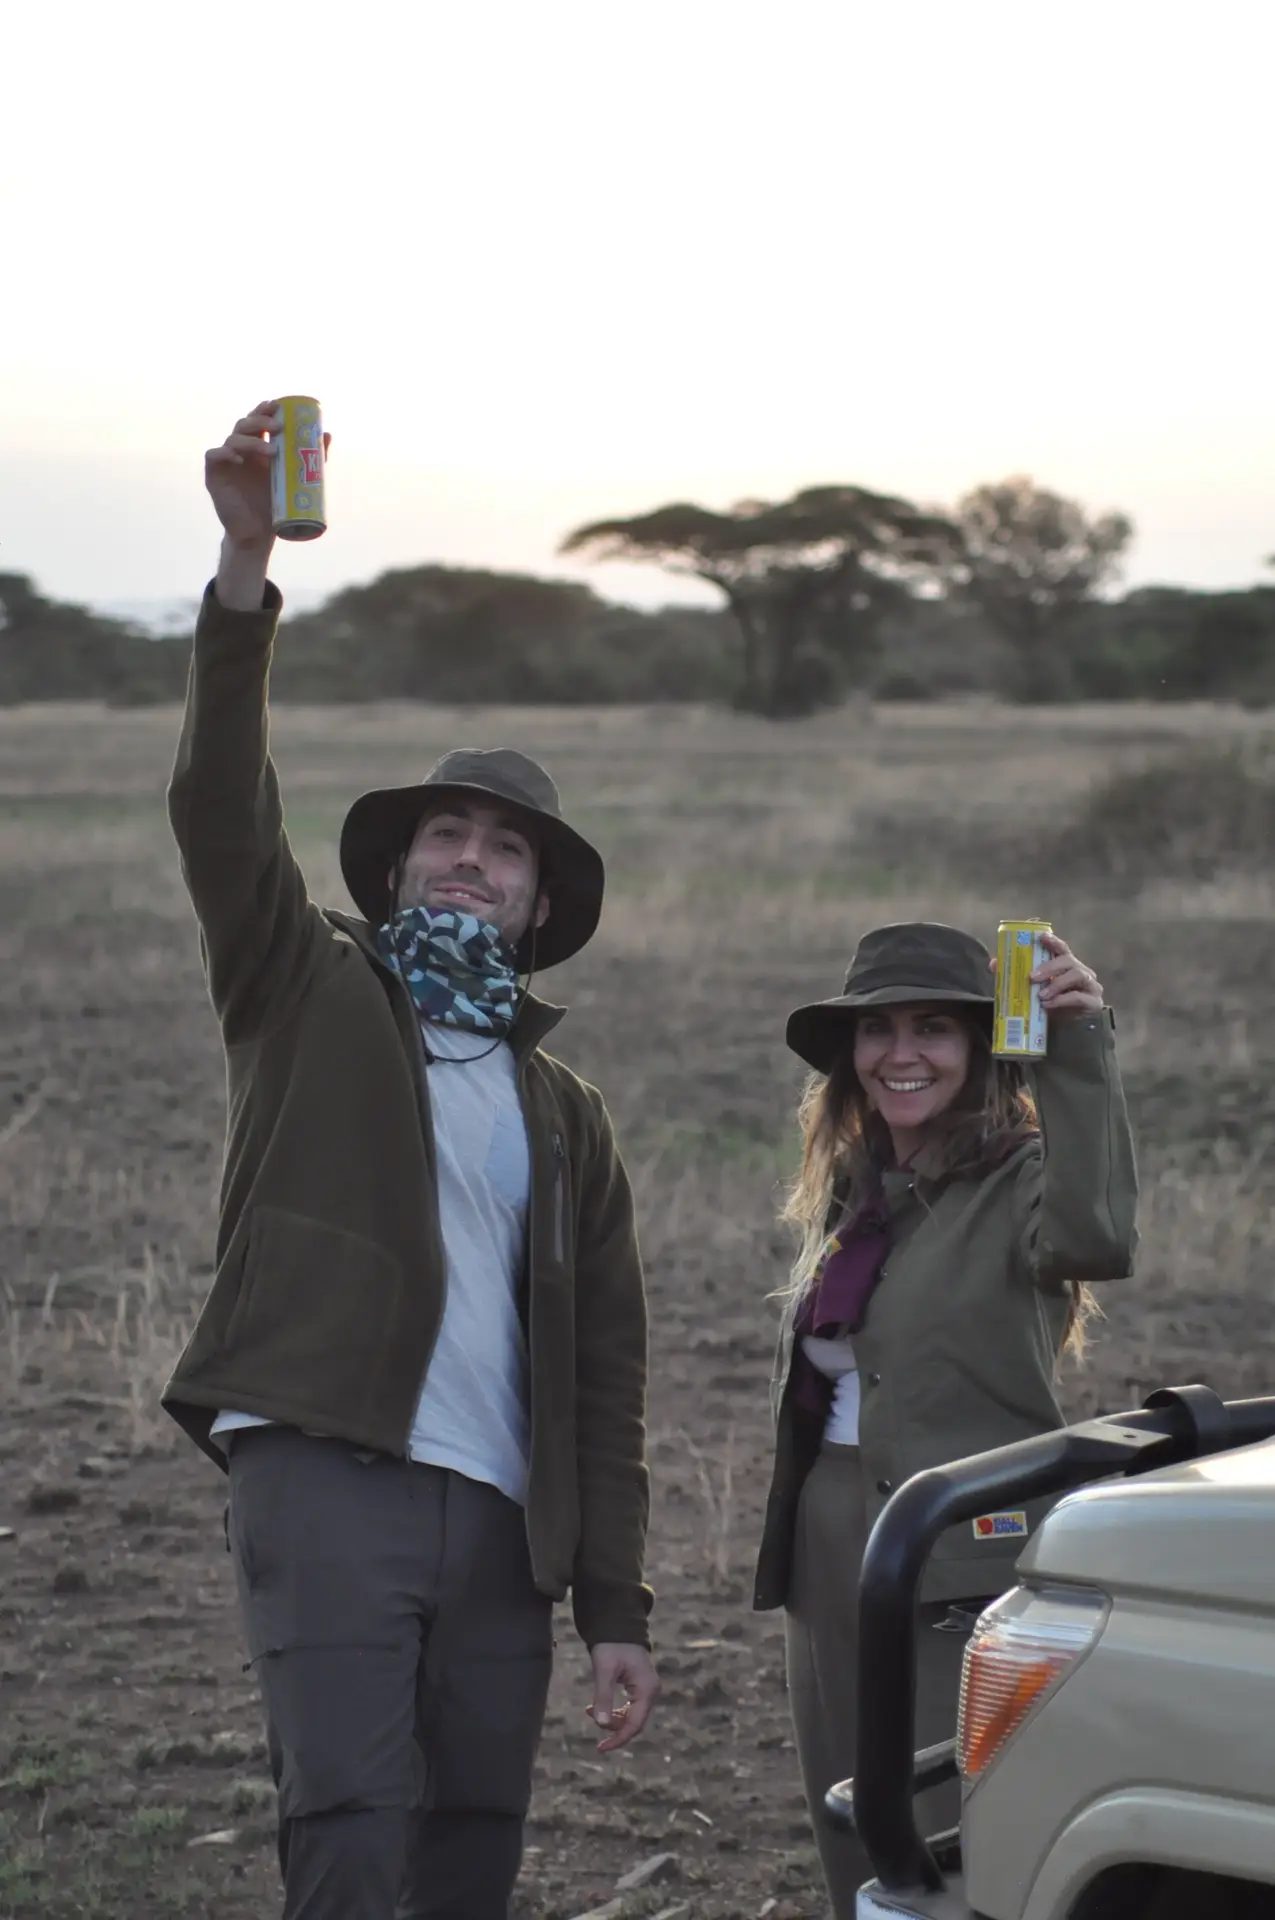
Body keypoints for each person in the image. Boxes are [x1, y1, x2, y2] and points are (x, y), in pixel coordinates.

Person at [162, 401, 659, 1920]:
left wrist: (614, 1605)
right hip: (327, 1467)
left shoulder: (562, 1108)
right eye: (445, 833)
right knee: (355, 1827)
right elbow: (216, 809)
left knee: (471, 1838)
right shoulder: (306, 985)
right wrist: (247, 565)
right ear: (389, 869)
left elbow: (602, 1380)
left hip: (505, 1523)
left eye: (503, 850)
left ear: (531, 906)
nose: (469, 858)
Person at [752, 920, 1137, 1916]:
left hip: (954, 1541)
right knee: (849, 1814)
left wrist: (1081, 1045)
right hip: (831, 1533)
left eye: (934, 1029)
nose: (901, 1054)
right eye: (877, 1030)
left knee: (948, 1835)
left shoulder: (1019, 1182)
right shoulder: (856, 1189)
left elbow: (1099, 1235)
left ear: (981, 1052)